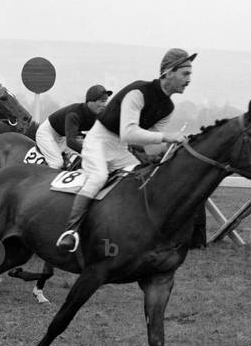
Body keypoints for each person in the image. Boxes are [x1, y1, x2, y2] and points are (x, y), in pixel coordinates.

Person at [55, 48, 193, 253]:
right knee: (98, 177)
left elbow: (149, 143)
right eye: (185, 73)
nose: (189, 80)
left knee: (141, 180)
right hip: (98, 142)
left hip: (120, 149)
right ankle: (70, 231)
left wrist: (174, 148)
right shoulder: (139, 92)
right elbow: (129, 133)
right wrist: (167, 137)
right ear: (168, 72)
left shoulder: (168, 108)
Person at [35, 85, 112, 170]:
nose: (105, 105)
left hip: (63, 136)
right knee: (57, 163)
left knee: (74, 162)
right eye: (102, 101)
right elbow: (71, 142)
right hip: (47, 133)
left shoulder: (99, 115)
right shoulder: (74, 114)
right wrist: (91, 154)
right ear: (90, 102)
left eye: (106, 101)